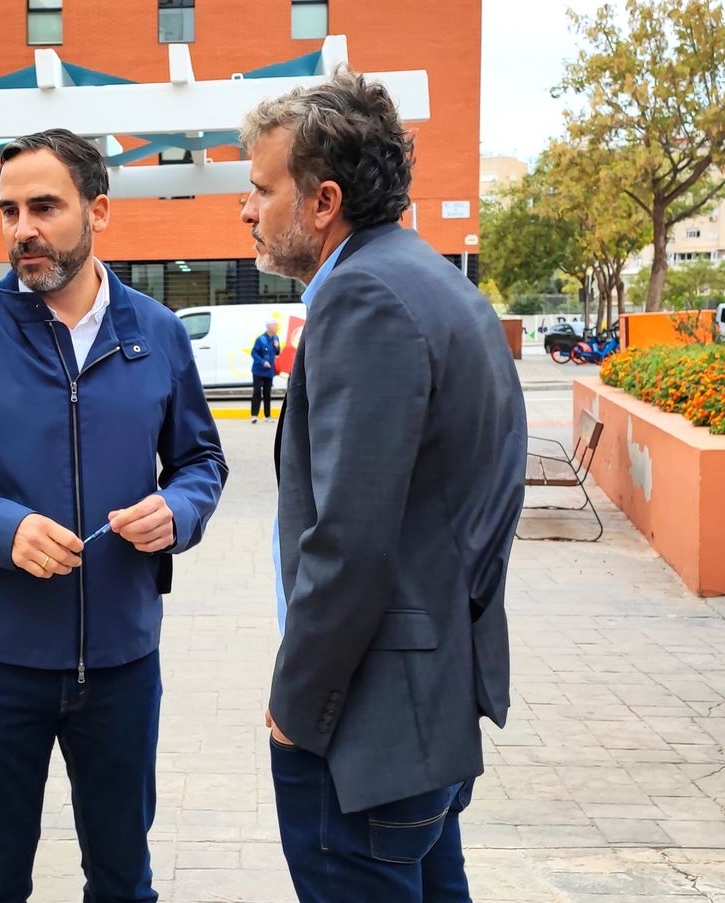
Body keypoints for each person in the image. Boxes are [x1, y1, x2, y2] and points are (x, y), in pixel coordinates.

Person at [0, 128, 227, 903]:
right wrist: (1, 529)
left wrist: (179, 509)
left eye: (44, 206)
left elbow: (203, 461)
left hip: (123, 663)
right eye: (8, 210)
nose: (22, 228)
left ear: (98, 208)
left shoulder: (158, 335)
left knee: (124, 880)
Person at [239, 72, 526, 902]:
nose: (248, 209)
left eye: (262, 188)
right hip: (420, 705)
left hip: (363, 727)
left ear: (322, 200)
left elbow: (350, 538)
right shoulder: (434, 282)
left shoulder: (363, 295)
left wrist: (298, 702)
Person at [250, 320, 282, 422]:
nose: (277, 327)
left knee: (267, 392)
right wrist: (263, 362)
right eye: (275, 325)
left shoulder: (276, 338)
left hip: (269, 371)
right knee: (257, 392)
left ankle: (267, 416)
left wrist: (277, 347)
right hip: (258, 370)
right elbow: (254, 353)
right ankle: (254, 415)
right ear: (269, 327)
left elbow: (277, 353)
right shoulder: (260, 339)